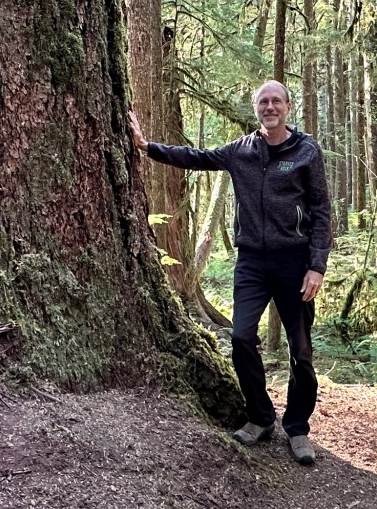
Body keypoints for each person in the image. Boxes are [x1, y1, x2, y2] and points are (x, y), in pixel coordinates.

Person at [128, 81, 332, 465]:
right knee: (240, 337)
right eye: (262, 102)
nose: (269, 107)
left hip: (295, 262)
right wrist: (146, 146)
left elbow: (321, 210)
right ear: (256, 108)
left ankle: (298, 428)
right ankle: (261, 417)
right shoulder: (242, 150)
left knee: (300, 349)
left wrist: (316, 266)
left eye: (276, 101)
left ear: (288, 106)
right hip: (252, 261)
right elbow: (196, 156)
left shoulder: (305, 151)